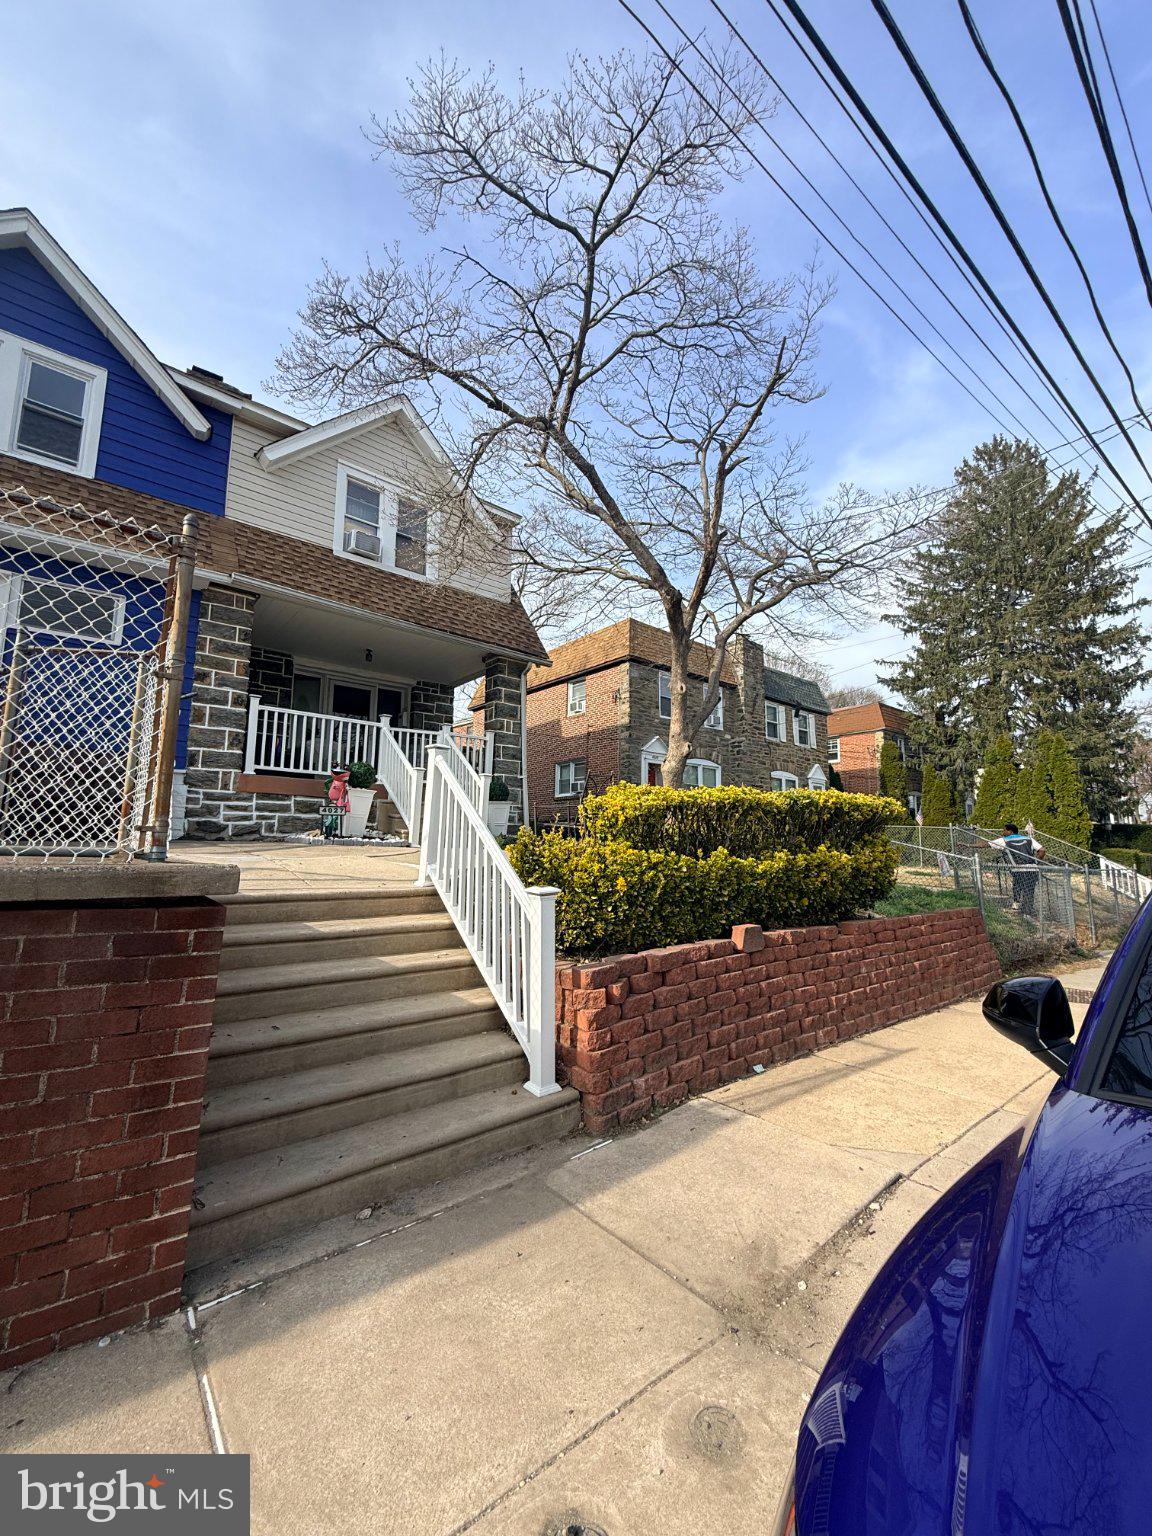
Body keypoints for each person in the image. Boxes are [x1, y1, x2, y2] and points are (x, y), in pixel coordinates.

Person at [987, 822, 1045, 916]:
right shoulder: (1028, 838)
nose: (1003, 832)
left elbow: (986, 844)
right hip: (1032, 869)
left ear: (1010, 831)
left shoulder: (1004, 840)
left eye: (1004, 830)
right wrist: (1036, 863)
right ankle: (1026, 911)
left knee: (1019, 887)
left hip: (1018, 869)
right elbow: (1042, 850)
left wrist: (968, 845)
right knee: (1028, 890)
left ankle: (1023, 910)